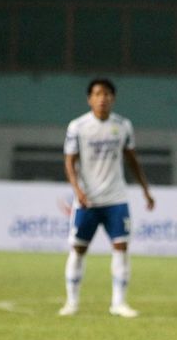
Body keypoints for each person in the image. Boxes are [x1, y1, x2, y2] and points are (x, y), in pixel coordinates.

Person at [58, 78, 155, 318]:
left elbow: (132, 159)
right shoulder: (78, 127)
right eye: (98, 94)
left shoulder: (122, 126)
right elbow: (70, 162)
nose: (102, 98)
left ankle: (119, 303)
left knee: (121, 247)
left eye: (107, 94)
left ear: (113, 98)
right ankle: (71, 302)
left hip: (116, 199)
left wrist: (145, 189)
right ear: (89, 99)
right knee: (78, 249)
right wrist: (78, 191)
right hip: (87, 201)